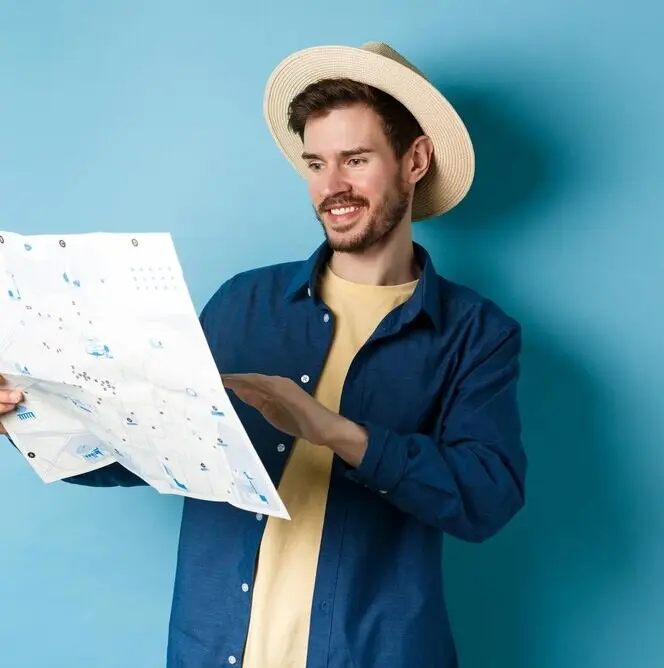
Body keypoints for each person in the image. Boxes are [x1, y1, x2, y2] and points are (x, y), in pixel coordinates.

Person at [0, 41, 526, 668]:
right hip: (213, 652)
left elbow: (485, 499)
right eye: (316, 164)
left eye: (356, 160)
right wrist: (26, 413)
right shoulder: (242, 303)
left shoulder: (476, 333)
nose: (332, 187)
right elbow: (146, 450)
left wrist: (334, 431)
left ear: (415, 160)